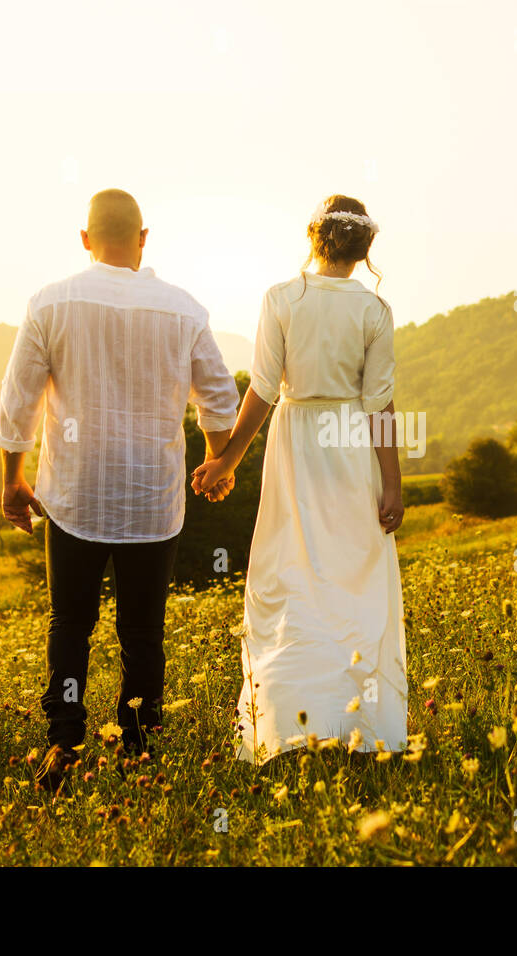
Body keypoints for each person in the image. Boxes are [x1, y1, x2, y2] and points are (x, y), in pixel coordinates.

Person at [0, 188, 240, 792]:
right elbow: (220, 401)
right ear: (144, 238)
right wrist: (216, 463)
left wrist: (12, 482)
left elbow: (18, 401)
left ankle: (65, 742)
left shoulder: (50, 303)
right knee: (141, 630)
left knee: (70, 624)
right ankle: (139, 747)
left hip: (74, 495)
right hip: (151, 500)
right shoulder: (183, 309)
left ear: (85, 239)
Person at [192, 194, 408, 763]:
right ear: (364, 248)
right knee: (351, 579)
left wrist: (228, 460)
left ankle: (289, 724)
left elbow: (262, 389)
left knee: (291, 576)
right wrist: (393, 483)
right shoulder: (375, 311)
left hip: (295, 447)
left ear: (316, 238)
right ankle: (358, 725)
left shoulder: (282, 298)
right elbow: (381, 405)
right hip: (351, 443)